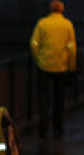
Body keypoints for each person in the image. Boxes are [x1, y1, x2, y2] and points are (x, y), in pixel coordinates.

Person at [29, 1, 76, 137]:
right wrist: (71, 65)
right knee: (59, 98)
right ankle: (58, 126)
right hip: (61, 66)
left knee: (43, 98)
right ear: (62, 10)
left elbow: (34, 43)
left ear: (50, 10)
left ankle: (43, 127)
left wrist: (37, 58)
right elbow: (71, 47)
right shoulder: (67, 24)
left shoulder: (42, 23)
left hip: (44, 65)